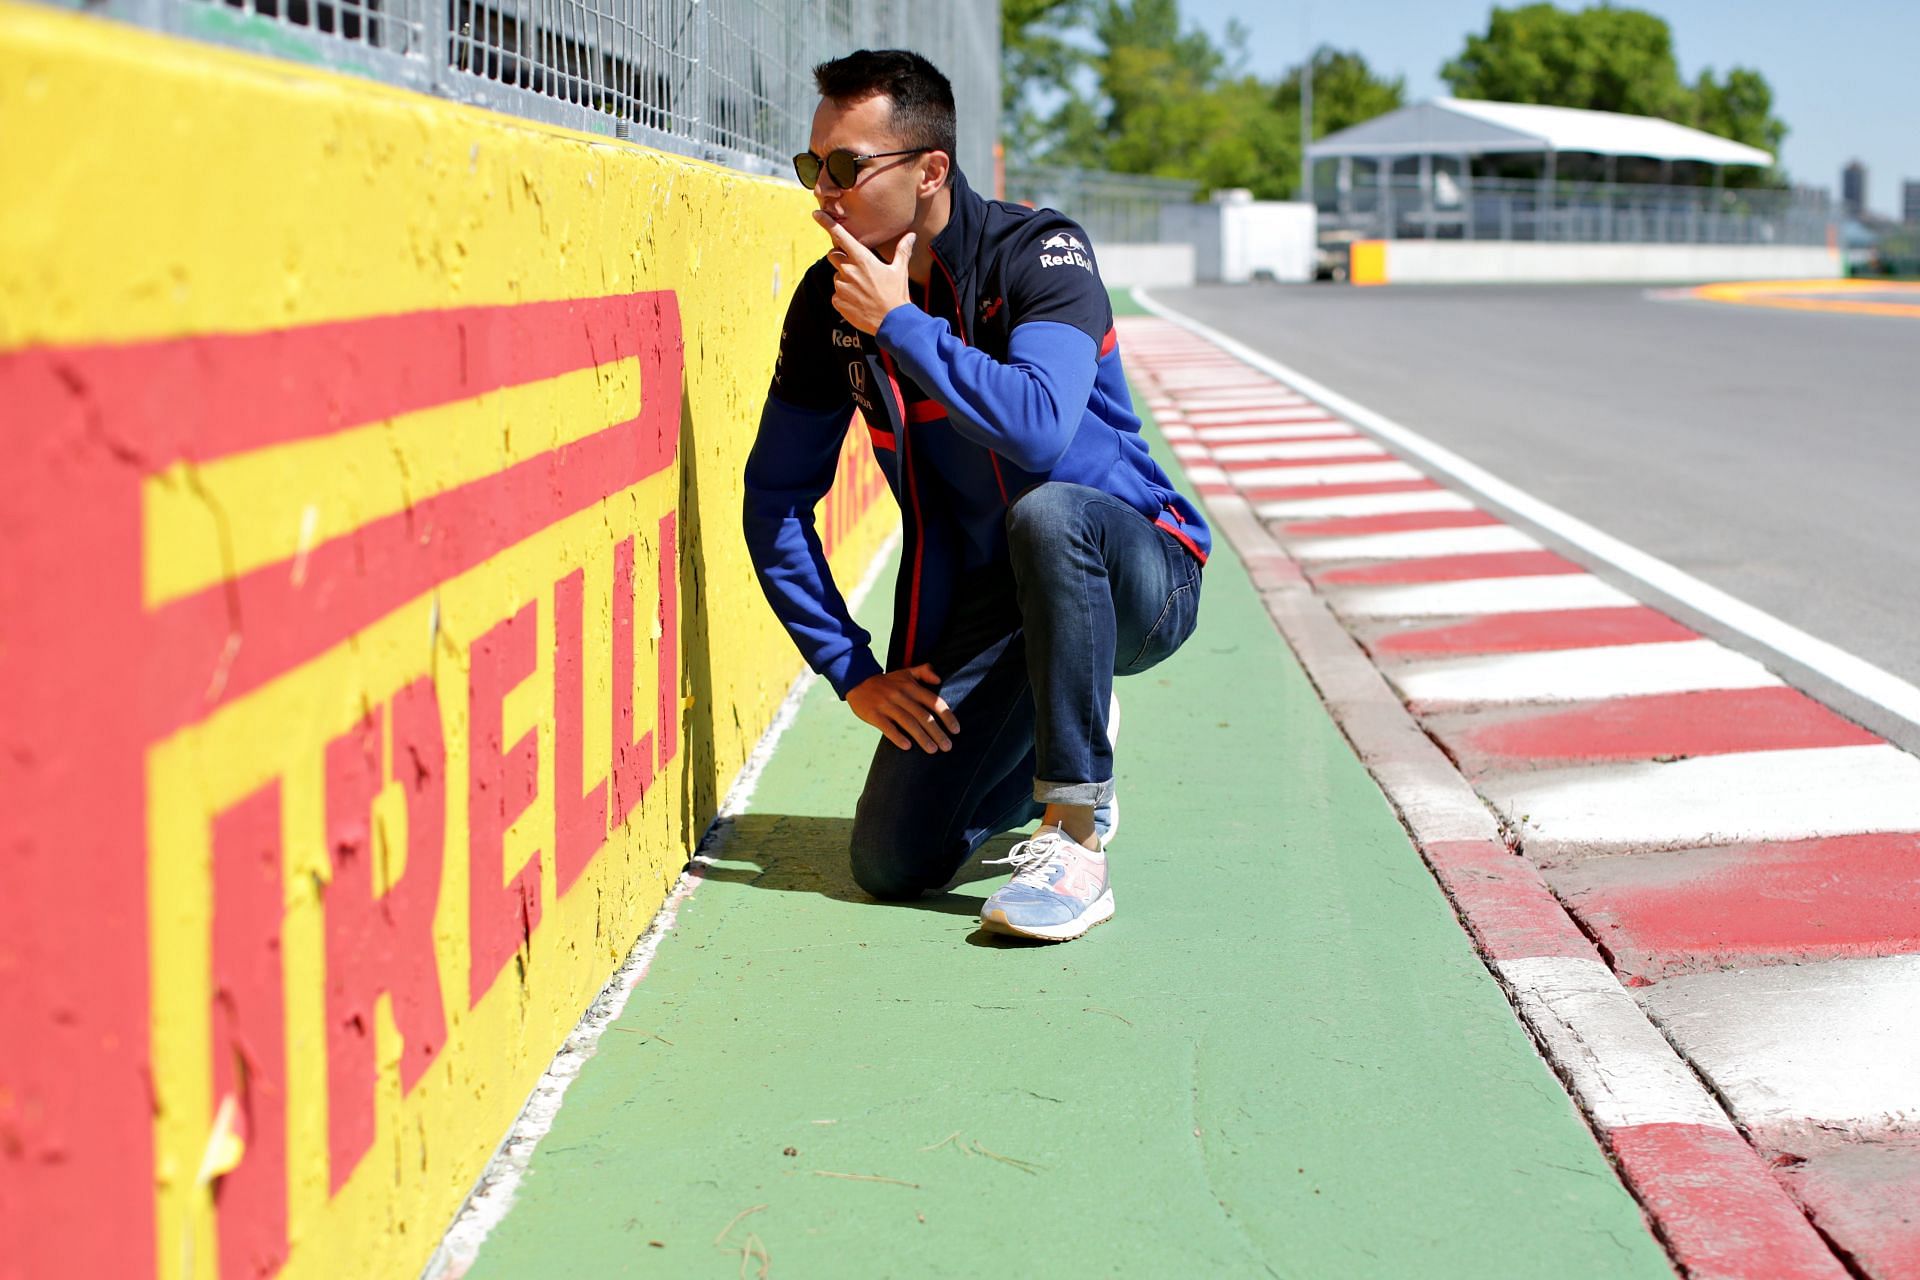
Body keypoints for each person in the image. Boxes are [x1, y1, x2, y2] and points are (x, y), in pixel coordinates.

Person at [741, 49, 1208, 942]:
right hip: (997, 604)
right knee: (891, 861)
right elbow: (774, 501)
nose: (823, 194)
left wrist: (901, 325)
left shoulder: (1039, 252)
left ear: (930, 172)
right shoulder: (824, 306)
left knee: (1051, 511)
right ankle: (1058, 702)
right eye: (812, 168)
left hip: (1134, 570)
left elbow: (1037, 428)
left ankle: (1074, 830)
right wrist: (852, 671)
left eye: (845, 168)